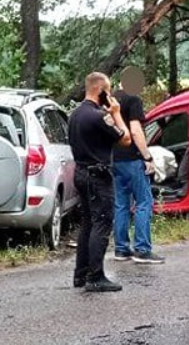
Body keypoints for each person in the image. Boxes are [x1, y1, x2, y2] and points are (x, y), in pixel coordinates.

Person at [68, 72, 132, 292]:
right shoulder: (98, 116)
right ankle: (96, 276)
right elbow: (125, 138)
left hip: (81, 173)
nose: (111, 94)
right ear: (101, 91)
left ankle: (81, 274)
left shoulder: (75, 114)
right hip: (98, 176)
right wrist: (116, 113)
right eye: (109, 90)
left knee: (88, 224)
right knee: (102, 223)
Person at [111, 66, 164, 265]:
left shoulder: (112, 99)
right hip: (132, 158)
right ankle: (142, 249)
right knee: (143, 202)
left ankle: (121, 249)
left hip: (114, 159)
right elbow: (135, 131)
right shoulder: (133, 99)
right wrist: (147, 157)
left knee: (121, 205)